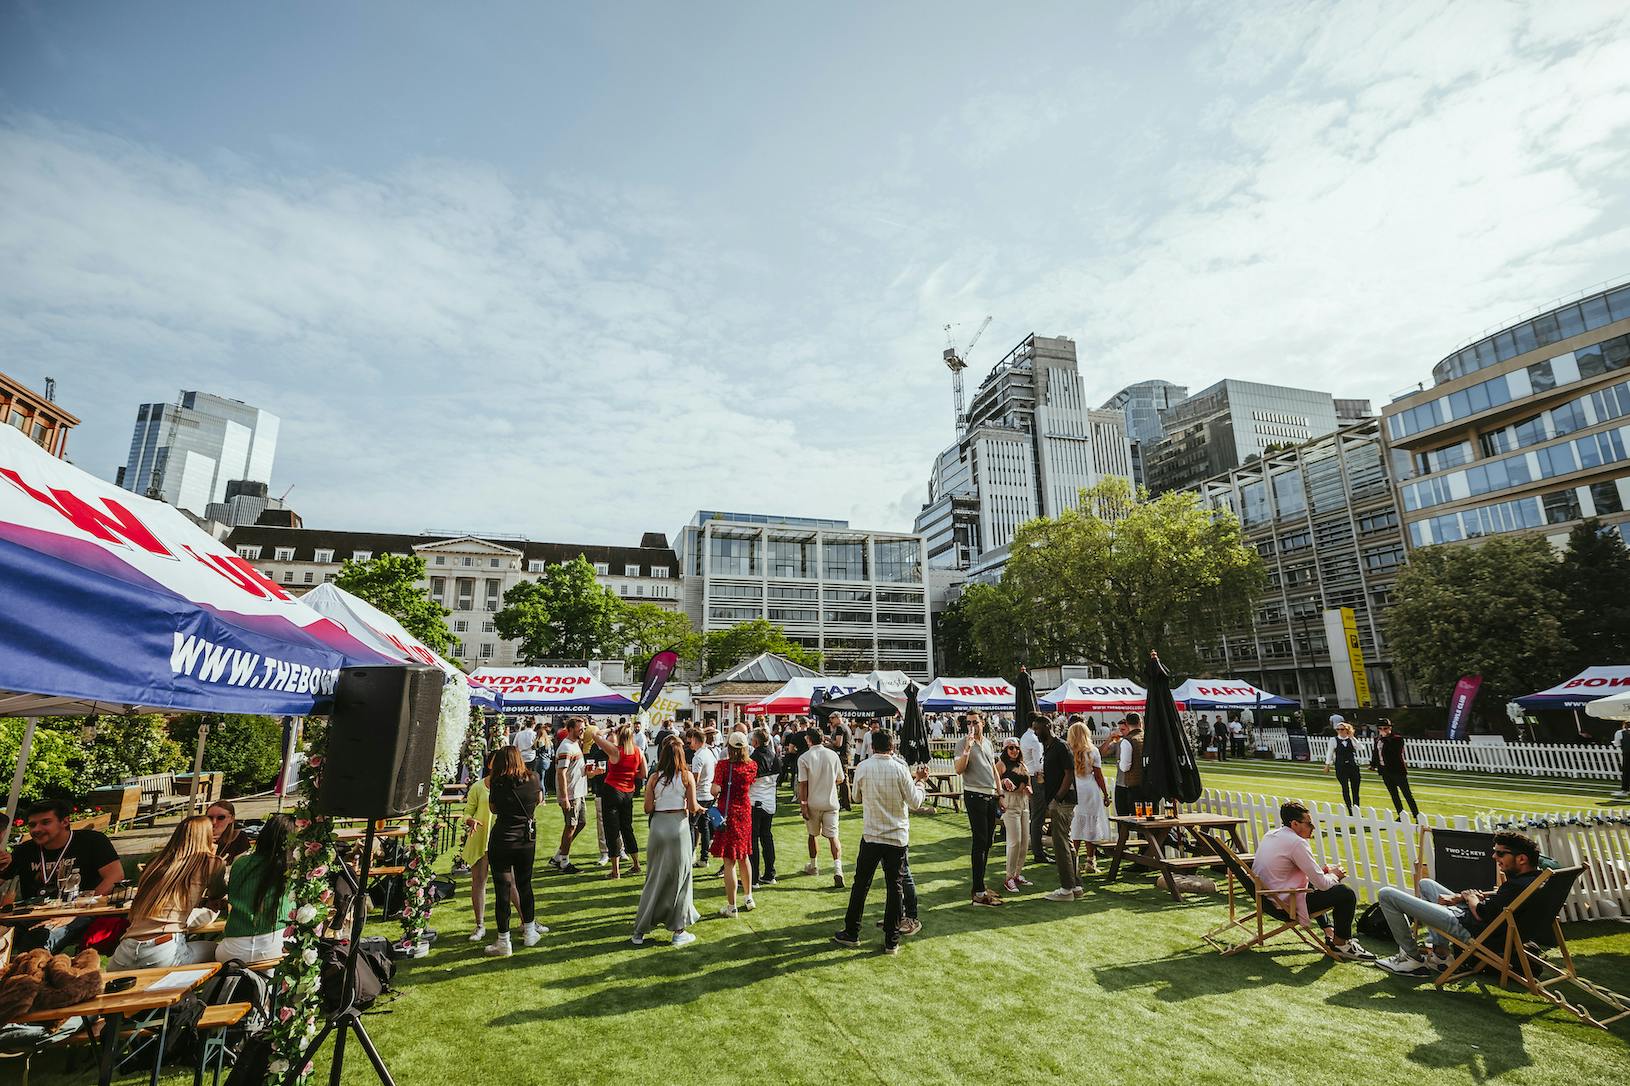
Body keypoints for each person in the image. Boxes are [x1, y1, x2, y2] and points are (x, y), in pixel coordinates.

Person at [1375, 830, 1543, 976]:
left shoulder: (1517, 885)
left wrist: (1471, 898)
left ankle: (1411, 959)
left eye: (1500, 853)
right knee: (1426, 885)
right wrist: (1462, 897)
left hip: (1472, 929)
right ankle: (1441, 957)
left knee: (1387, 894)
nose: (1494, 857)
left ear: (1521, 859)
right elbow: (1501, 897)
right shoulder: (1536, 881)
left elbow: (1482, 913)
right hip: (1482, 924)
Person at [833, 730, 929, 954]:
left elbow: (856, 797)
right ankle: (891, 940)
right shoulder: (900, 768)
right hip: (896, 836)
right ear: (892, 747)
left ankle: (852, 931)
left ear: (872, 747)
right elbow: (914, 802)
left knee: (861, 884)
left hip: (873, 834)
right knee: (894, 887)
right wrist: (921, 784)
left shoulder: (864, 767)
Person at [1251, 801, 1373, 961]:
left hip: (1266, 897)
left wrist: (1321, 874)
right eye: (1309, 823)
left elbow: (1288, 872)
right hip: (1286, 904)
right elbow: (1323, 885)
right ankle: (1342, 944)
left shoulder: (1271, 834)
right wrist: (1335, 875)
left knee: (1314, 883)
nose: (1313, 827)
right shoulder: (1297, 843)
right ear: (1294, 824)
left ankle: (1330, 932)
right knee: (1345, 893)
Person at [0, 798, 124, 952]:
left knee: (39, 940)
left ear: (65, 822)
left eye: (45, 822)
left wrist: (78, 910)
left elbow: (115, 875)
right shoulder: (24, 850)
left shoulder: (92, 841)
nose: (36, 829)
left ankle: (35, 974)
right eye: (32, 825)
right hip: (31, 914)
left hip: (79, 912)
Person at [107, 815, 222, 969]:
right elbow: (218, 893)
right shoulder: (210, 862)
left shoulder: (156, 863)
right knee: (218, 950)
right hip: (164, 948)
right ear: (206, 836)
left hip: (125, 950)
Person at [632, 735, 701, 948]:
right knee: (680, 879)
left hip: (658, 827)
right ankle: (678, 930)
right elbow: (692, 806)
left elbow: (647, 808)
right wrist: (700, 808)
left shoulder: (654, 778)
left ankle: (639, 932)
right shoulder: (687, 776)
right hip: (678, 827)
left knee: (653, 878)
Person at [484, 746, 547, 957]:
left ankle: (504, 940)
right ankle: (529, 931)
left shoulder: (497, 782)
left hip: (502, 838)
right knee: (525, 884)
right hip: (525, 839)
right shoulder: (534, 778)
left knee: (503, 890)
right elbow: (538, 800)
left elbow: (493, 808)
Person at [211, 813, 296, 962]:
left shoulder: (241, 863)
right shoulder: (293, 870)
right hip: (275, 946)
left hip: (232, 949)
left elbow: (230, 894)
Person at [460, 753, 516, 942]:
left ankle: (528, 921)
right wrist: (470, 820)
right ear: (491, 764)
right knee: (479, 881)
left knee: (512, 882)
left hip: (503, 839)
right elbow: (466, 812)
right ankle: (480, 925)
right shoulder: (477, 787)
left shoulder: (510, 784)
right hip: (481, 840)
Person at [954, 713, 1003, 907]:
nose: (972, 726)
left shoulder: (988, 743)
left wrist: (1000, 794)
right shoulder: (962, 743)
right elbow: (959, 769)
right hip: (974, 795)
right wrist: (967, 748)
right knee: (980, 841)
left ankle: (980, 885)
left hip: (990, 795)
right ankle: (978, 890)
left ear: (983, 723)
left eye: (975, 722)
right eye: (968, 723)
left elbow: (993, 769)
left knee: (988, 841)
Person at [711, 731, 758, 917]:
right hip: (744, 812)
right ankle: (748, 897)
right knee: (744, 855)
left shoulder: (722, 765)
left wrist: (718, 788)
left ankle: (732, 907)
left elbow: (714, 790)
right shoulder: (752, 766)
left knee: (729, 861)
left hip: (727, 813)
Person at [594, 723, 646, 879]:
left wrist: (612, 729)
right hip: (628, 792)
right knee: (627, 828)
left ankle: (615, 871)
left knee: (612, 830)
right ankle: (636, 864)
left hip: (612, 790)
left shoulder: (615, 750)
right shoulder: (638, 751)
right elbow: (643, 773)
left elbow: (596, 735)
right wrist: (629, 775)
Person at [796, 726, 845, 886]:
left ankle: (814, 865)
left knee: (812, 834)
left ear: (808, 739)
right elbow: (840, 779)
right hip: (831, 801)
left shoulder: (804, 757)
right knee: (833, 836)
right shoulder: (832, 755)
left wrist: (803, 805)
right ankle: (838, 869)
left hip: (812, 802)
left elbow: (803, 784)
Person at [1041, 719, 1083, 901]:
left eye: (1037, 728)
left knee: (1061, 844)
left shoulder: (1060, 746)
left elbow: (1069, 773)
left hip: (1063, 801)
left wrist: (1057, 798)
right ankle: (1076, 885)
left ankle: (1067, 889)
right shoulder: (1049, 747)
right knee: (1066, 842)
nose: (1035, 732)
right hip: (1059, 799)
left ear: (1047, 727)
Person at [1068, 720, 1110, 873]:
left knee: (1075, 825)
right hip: (1090, 789)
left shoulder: (1068, 749)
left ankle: (1074, 861)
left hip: (1074, 788)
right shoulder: (1093, 750)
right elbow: (1098, 775)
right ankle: (1090, 861)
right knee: (1091, 824)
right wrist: (1105, 793)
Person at [547, 716, 588, 874]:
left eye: (583, 727)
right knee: (571, 825)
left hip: (578, 791)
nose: (583, 730)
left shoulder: (575, 744)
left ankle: (558, 857)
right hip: (571, 793)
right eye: (580, 728)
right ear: (570, 729)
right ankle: (564, 862)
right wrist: (564, 797)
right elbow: (561, 773)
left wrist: (589, 771)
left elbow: (574, 769)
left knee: (581, 823)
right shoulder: (566, 747)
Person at [997, 735, 1033, 894]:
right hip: (1010, 803)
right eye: (1011, 747)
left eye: (1016, 747)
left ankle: (1017, 874)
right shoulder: (1001, 764)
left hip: (1024, 802)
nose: (1014, 750)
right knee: (1015, 841)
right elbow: (995, 783)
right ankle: (1009, 877)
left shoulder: (1022, 764)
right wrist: (1003, 787)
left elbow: (1029, 784)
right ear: (1005, 749)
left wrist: (1029, 790)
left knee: (1025, 841)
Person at [748, 727, 782, 886]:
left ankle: (753, 877)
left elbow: (749, 781)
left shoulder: (753, 758)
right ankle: (770, 873)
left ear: (755, 742)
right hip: (769, 802)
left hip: (755, 802)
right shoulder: (775, 757)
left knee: (753, 839)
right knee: (767, 837)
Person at [1370, 719, 1420, 819]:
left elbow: (1395, 753)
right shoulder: (1377, 739)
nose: (1382, 730)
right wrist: (1373, 764)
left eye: (1385, 728)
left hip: (1397, 770)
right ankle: (1401, 814)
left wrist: (1385, 739)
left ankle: (1416, 815)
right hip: (1385, 771)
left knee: (1407, 794)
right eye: (1380, 728)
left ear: (1390, 728)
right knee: (1394, 794)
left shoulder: (1397, 739)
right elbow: (1376, 753)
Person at [1021, 714, 1052, 865]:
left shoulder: (1025, 736)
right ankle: (1038, 852)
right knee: (1038, 816)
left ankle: (1037, 849)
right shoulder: (1033, 739)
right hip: (1036, 777)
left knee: (1036, 815)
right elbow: (1040, 762)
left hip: (1030, 775)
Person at [687, 727, 720, 867]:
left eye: (690, 741)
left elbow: (695, 779)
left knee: (691, 825)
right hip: (709, 794)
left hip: (700, 795)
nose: (689, 744)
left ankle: (690, 854)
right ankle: (704, 858)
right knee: (704, 826)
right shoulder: (709, 753)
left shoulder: (698, 756)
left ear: (695, 740)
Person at [584, 726, 612, 865]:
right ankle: (605, 853)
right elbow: (589, 773)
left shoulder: (619, 754)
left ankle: (620, 849)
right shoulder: (598, 754)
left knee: (619, 822)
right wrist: (594, 773)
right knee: (602, 824)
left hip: (616, 792)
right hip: (601, 791)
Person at [1108, 714, 1144, 817]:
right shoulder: (1149, 737)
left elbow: (1125, 767)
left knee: (1127, 820)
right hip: (1148, 784)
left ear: (1128, 724)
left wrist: (1120, 763)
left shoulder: (1127, 741)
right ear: (1140, 722)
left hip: (1133, 786)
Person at [1324, 720, 1363, 813]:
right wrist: (1327, 765)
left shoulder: (1351, 740)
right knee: (1345, 788)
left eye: (1342, 729)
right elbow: (1329, 752)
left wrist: (1352, 737)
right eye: (1338, 729)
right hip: (1341, 767)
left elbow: (1361, 748)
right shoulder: (1333, 740)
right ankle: (1349, 809)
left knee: (1355, 788)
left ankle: (1356, 808)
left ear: (1347, 730)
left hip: (1352, 766)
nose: (1340, 731)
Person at [206, 800, 251, 865]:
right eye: (210, 818)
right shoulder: (197, 836)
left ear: (231, 819)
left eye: (221, 817)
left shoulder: (238, 836)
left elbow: (237, 867)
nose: (214, 822)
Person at [1613, 719, 1630, 800]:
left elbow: (1617, 744)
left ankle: (1625, 790)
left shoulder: (1620, 732)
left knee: (1626, 772)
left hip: (1627, 753)